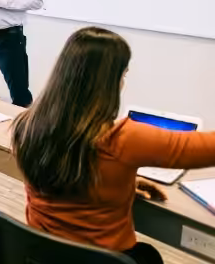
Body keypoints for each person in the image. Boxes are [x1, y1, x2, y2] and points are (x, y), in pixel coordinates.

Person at [11, 27, 215, 264]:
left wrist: (119, 180)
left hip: (43, 256)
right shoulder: (123, 139)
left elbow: (66, 170)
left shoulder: (26, 125)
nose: (123, 83)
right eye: (123, 75)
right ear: (108, 82)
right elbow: (206, 148)